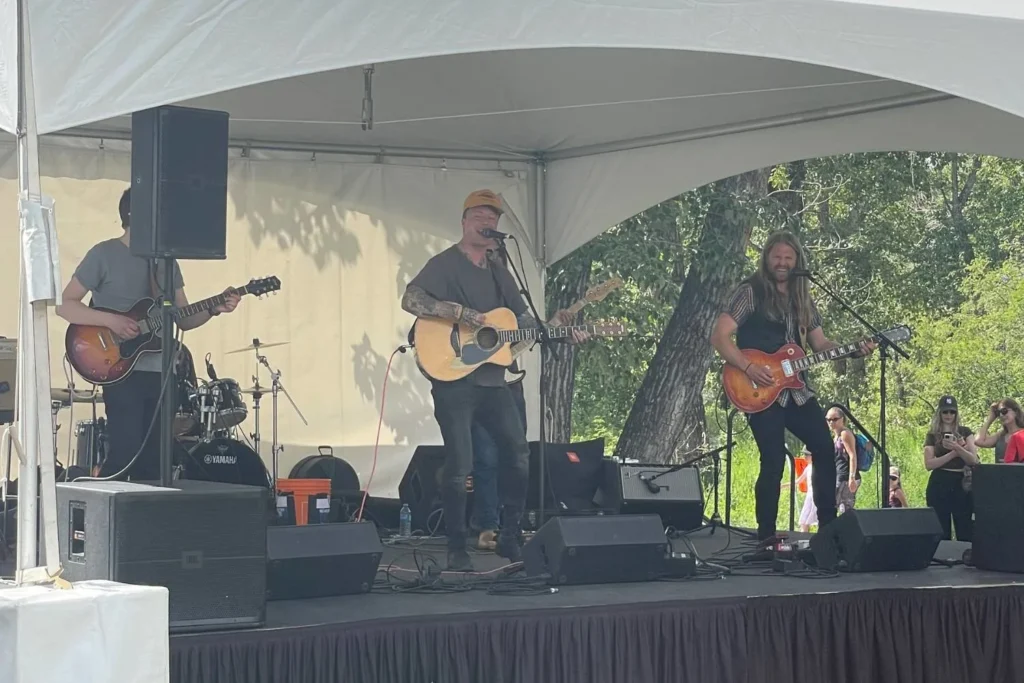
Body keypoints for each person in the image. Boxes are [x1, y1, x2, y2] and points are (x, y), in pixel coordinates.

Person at [402, 189, 587, 570]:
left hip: (493, 381)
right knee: (460, 463)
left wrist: (559, 333)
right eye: (481, 216)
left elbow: (525, 323)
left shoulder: (501, 272)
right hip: (453, 378)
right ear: (465, 221)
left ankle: (509, 535)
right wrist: (455, 312)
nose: (488, 223)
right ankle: (456, 546)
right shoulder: (445, 264)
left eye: (494, 218)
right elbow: (411, 299)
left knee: (518, 453)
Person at [56, 188, 240, 480]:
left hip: (160, 370)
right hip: (118, 367)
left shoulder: (168, 263)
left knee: (156, 458)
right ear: (135, 216)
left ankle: (146, 520)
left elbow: (184, 318)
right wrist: (112, 322)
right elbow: (66, 305)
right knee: (125, 451)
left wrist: (215, 307)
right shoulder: (104, 253)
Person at [710, 230, 874, 542]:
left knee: (825, 448)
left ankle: (827, 529)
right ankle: (767, 536)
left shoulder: (803, 299)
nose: (783, 263)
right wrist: (748, 367)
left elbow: (820, 343)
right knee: (772, 460)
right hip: (758, 389)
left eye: (788, 258)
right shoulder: (750, 292)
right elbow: (719, 335)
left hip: (796, 390)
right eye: (777, 257)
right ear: (767, 259)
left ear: (797, 261)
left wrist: (852, 349)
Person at [470, 379, 527, 550]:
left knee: (516, 458)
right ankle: (487, 527)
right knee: (486, 458)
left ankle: (512, 529)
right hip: (480, 383)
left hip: (511, 381)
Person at [923, 395, 979, 541]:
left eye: (952, 412)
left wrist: (958, 447)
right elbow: (929, 464)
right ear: (940, 413)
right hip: (940, 479)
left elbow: (973, 459)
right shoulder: (932, 435)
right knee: (941, 525)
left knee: (964, 523)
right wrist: (953, 454)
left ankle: (965, 556)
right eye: (945, 412)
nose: (949, 415)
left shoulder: (965, 432)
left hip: (961, 481)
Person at [826, 407, 860, 514]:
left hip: (846, 476)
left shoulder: (845, 434)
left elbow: (852, 455)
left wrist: (852, 477)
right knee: (837, 506)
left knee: (846, 509)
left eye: (835, 419)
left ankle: (850, 530)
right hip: (839, 475)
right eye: (829, 419)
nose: (831, 422)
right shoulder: (836, 436)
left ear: (842, 419)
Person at [975, 398, 1024, 463]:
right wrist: (990, 418)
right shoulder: (1000, 435)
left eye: (1004, 411)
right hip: (1000, 472)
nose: (1001, 415)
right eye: (998, 413)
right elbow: (978, 441)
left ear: (1015, 412)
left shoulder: (1022, 434)